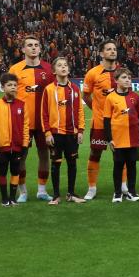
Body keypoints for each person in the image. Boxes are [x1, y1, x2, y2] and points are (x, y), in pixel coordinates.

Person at [8, 36, 54, 203]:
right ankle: (23, 192)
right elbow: (9, 94)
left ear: (40, 49)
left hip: (43, 122)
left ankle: (42, 190)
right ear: (23, 49)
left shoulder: (49, 69)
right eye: (29, 45)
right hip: (23, 122)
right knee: (21, 156)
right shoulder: (15, 69)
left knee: (44, 155)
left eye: (36, 45)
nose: (33, 48)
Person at [41, 57, 86, 205]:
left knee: (72, 164)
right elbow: (44, 113)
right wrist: (47, 133)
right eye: (60, 65)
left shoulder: (75, 89)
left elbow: (80, 110)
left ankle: (71, 193)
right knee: (56, 164)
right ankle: (56, 196)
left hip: (72, 134)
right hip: (55, 134)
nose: (63, 67)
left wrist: (80, 130)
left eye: (65, 65)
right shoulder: (49, 89)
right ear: (54, 71)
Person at [81, 39, 120, 200]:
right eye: (109, 49)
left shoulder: (122, 72)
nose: (112, 51)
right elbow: (86, 95)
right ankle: (92, 188)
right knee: (95, 153)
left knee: (121, 154)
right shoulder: (92, 73)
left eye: (114, 49)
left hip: (119, 122)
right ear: (101, 53)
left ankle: (123, 186)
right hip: (99, 122)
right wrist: (97, 110)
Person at [0, 73, 29, 207]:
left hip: (17, 147)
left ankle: (12, 198)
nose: (12, 87)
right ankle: (4, 198)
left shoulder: (22, 105)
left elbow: (26, 126)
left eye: (15, 85)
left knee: (15, 172)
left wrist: (24, 145)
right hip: (2, 147)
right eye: (9, 85)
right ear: (2, 87)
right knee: (2, 172)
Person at [105, 69, 139, 203]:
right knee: (118, 165)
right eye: (124, 77)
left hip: (133, 137)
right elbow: (106, 120)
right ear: (116, 80)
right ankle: (117, 193)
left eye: (129, 77)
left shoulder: (135, 97)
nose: (127, 80)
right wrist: (109, 139)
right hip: (118, 139)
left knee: (132, 165)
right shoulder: (110, 98)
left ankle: (131, 192)